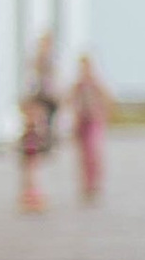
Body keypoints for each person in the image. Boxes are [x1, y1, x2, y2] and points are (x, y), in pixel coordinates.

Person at [17, 37, 58, 214]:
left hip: (36, 145)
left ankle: (34, 198)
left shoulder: (51, 64)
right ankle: (30, 198)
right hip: (31, 147)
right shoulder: (35, 66)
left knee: (34, 174)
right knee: (30, 174)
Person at [68, 54, 110, 203]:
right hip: (81, 121)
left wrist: (102, 113)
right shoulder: (78, 84)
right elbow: (69, 99)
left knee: (93, 151)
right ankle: (86, 184)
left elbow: (106, 98)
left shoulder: (95, 83)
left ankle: (94, 183)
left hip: (94, 120)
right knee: (83, 154)